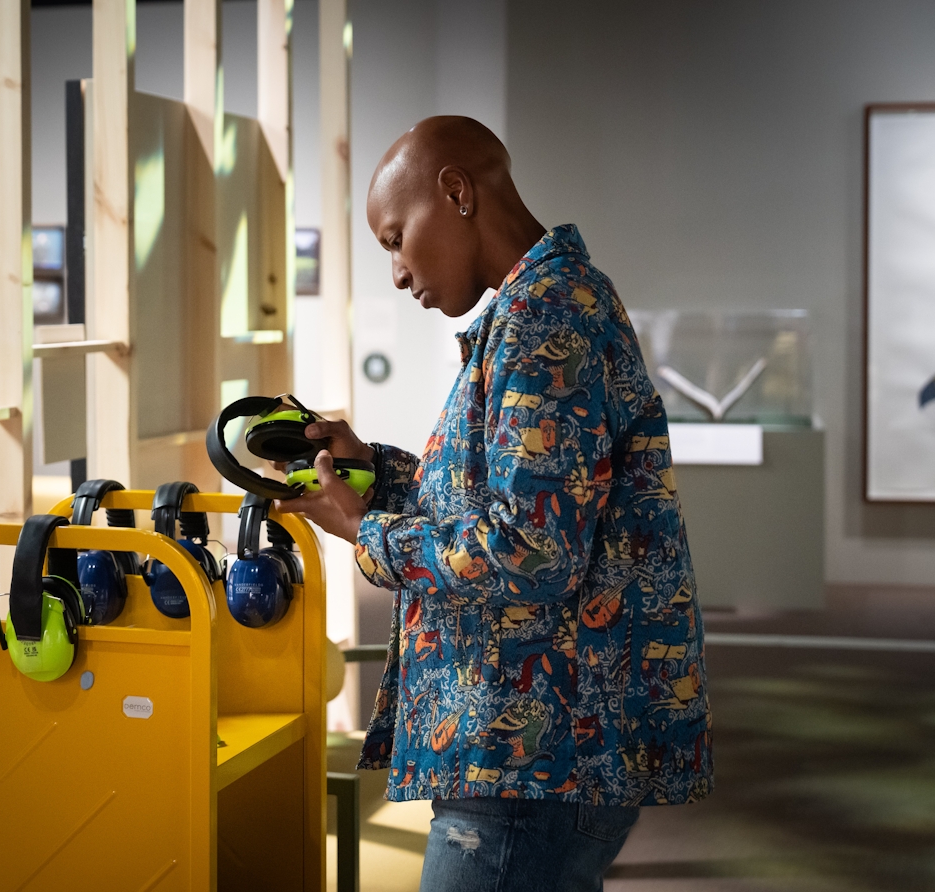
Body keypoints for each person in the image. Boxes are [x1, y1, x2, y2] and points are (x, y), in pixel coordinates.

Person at [278, 116, 712, 891]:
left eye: (393, 238)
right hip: (536, 758)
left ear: (455, 192)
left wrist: (365, 530)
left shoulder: (545, 317)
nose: (398, 273)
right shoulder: (546, 307)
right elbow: (505, 501)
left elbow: (532, 551)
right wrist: (373, 470)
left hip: (529, 763)